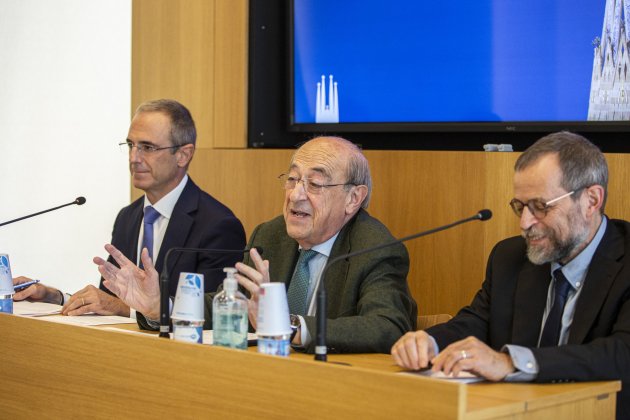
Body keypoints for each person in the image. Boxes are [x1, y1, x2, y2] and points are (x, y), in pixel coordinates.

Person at [98, 136, 417, 353]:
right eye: (292, 179)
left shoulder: (375, 248)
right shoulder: (271, 235)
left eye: (315, 184)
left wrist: (288, 326)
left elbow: (388, 326)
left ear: (353, 199)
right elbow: (231, 302)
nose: (296, 195)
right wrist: (162, 308)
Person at [391, 131, 630, 419]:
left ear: (591, 200)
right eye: (520, 206)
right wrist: (428, 342)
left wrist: (511, 362)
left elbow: (622, 353)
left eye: (540, 207)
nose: (525, 223)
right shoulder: (510, 257)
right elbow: (477, 322)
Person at [13, 99, 246, 318]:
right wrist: (55, 298)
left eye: (147, 147)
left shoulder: (217, 225)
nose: (134, 158)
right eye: (131, 145)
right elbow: (107, 301)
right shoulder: (128, 217)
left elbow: (215, 313)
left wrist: (125, 309)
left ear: (183, 155)